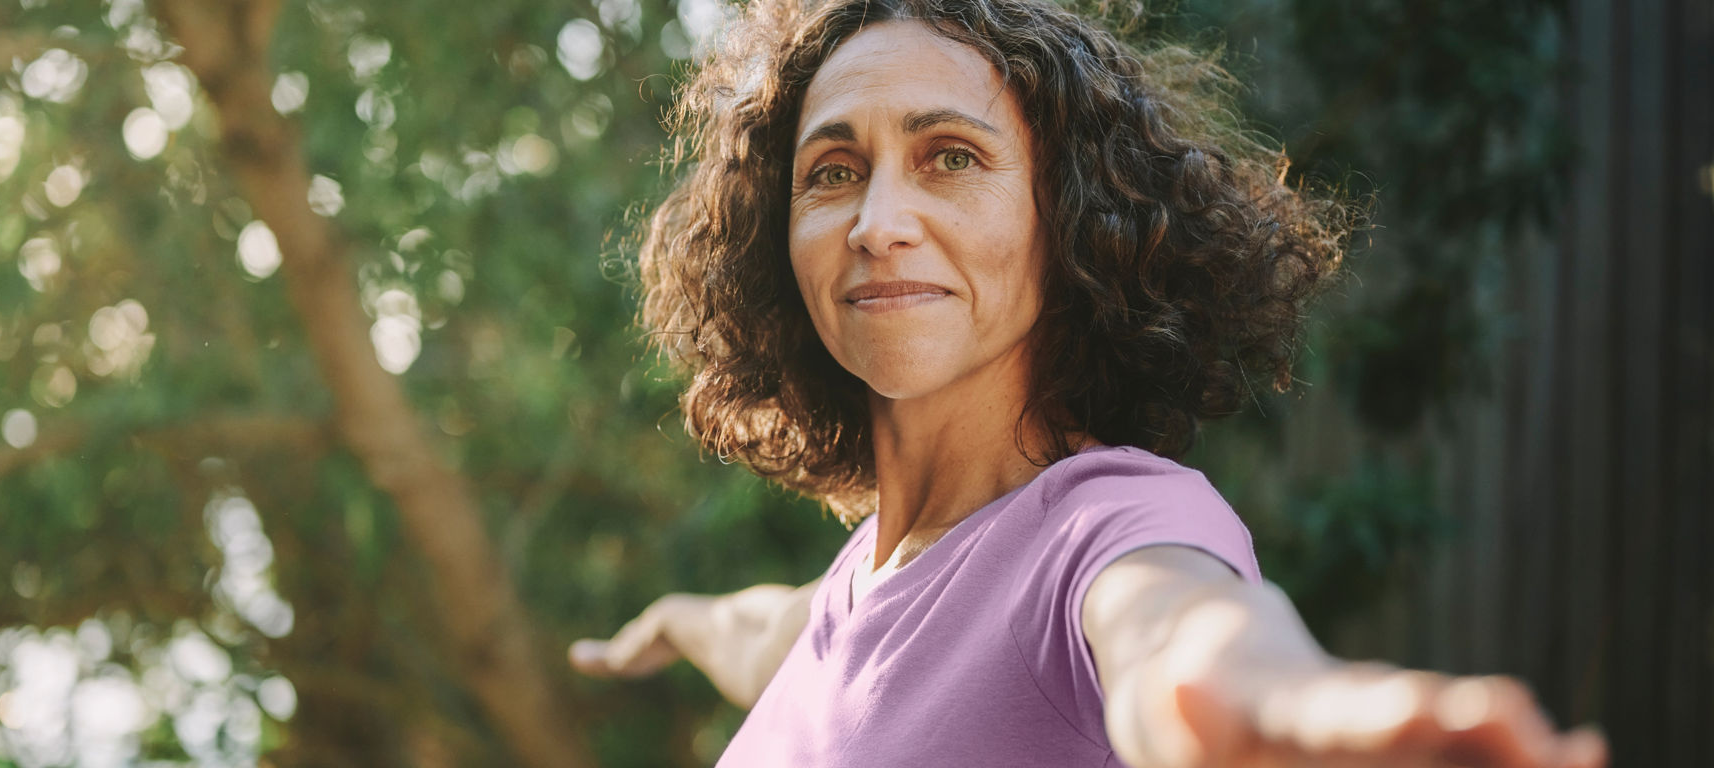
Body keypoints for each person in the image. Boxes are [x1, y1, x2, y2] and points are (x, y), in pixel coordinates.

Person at [570, 0, 1609, 765]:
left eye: (950, 158)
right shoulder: (859, 585)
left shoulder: (1106, 527)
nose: (878, 222)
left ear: (1067, 219)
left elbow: (1177, 632)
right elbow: (764, 631)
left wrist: (1279, 704)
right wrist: (670, 623)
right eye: (833, 172)